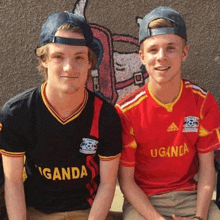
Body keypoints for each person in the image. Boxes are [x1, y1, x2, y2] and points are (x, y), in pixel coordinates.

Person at [0, 11, 122, 220]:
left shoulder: (106, 115)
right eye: (58, 56)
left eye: (79, 57)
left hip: (86, 212)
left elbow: (108, 183)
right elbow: (13, 181)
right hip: (35, 212)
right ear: (44, 59)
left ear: (90, 62)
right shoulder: (17, 113)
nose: (69, 67)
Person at [116, 6, 220, 220]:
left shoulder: (202, 102)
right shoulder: (126, 111)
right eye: (153, 50)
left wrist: (199, 218)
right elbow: (126, 181)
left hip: (191, 198)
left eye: (170, 48)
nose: (161, 57)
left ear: (184, 53)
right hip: (145, 202)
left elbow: (208, 169)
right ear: (142, 57)